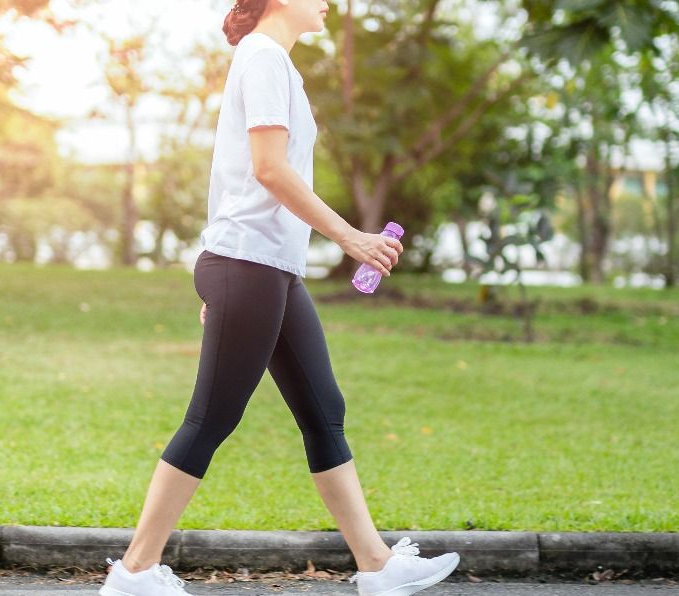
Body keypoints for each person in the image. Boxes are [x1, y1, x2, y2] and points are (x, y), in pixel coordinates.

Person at [98, 1, 460, 594]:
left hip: (268, 269)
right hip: (248, 265)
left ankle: (376, 566)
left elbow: (248, 173)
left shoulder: (276, 63)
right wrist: (350, 238)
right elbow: (268, 169)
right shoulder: (262, 57)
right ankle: (135, 571)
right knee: (211, 418)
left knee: (324, 411)